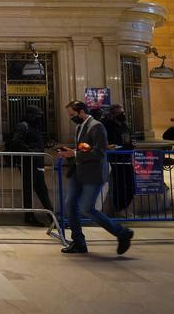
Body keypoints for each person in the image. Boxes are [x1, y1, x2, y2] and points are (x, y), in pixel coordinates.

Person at [57, 100, 134, 255]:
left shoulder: (97, 126)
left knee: (87, 208)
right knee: (70, 205)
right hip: (78, 172)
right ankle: (79, 242)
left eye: (72, 115)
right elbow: (84, 148)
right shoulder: (80, 126)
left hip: (93, 174)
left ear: (81, 112)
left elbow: (99, 152)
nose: (71, 118)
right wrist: (71, 152)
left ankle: (121, 233)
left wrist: (75, 154)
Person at [12, 105, 55, 227]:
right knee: (32, 190)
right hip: (28, 162)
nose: (39, 118)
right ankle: (31, 216)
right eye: (37, 115)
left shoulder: (34, 126)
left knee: (41, 190)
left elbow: (34, 142)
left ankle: (51, 217)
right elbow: (17, 142)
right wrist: (31, 152)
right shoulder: (23, 125)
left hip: (37, 162)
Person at [102, 104, 135, 212]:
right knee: (119, 185)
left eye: (123, 112)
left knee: (131, 186)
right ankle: (120, 209)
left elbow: (127, 140)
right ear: (113, 115)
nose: (123, 114)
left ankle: (125, 207)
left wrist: (132, 144)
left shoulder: (124, 125)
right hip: (115, 160)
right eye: (119, 113)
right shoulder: (107, 126)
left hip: (127, 158)